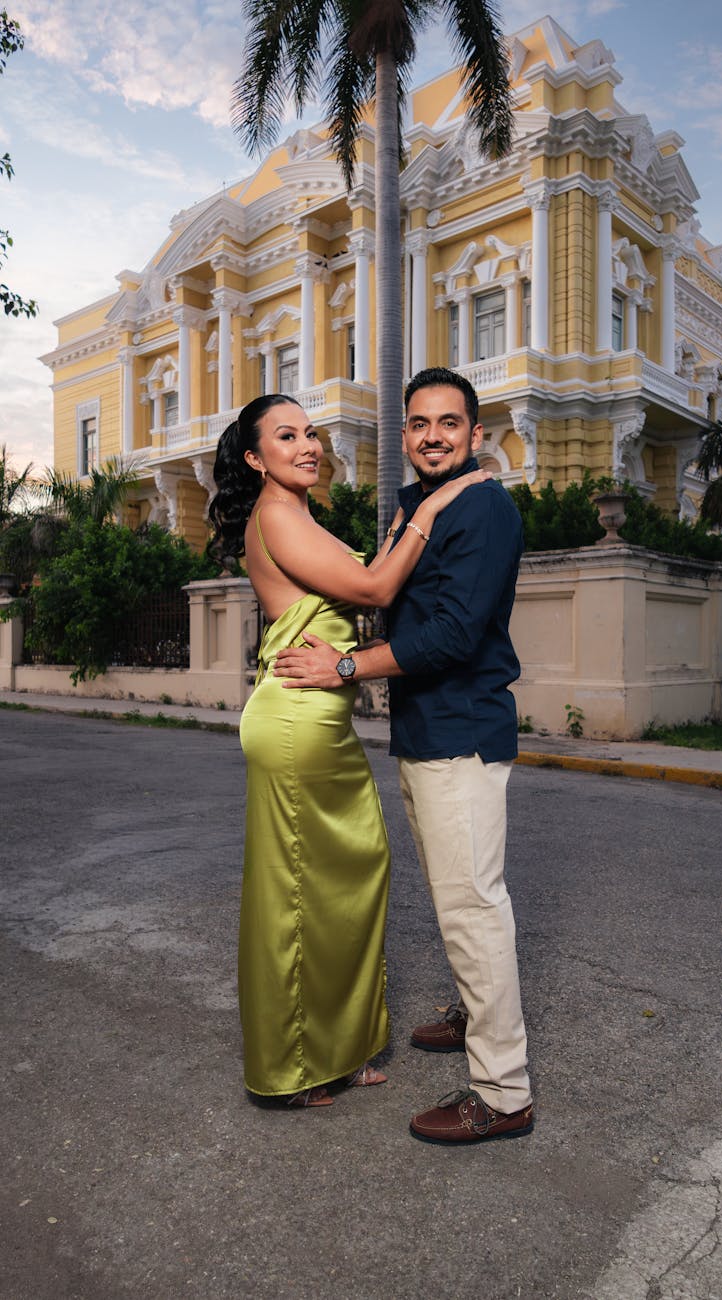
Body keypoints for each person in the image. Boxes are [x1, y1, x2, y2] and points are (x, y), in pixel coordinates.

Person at [274, 367, 533, 1145]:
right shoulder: (422, 503)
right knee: (457, 899)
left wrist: (345, 667)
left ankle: (503, 1092)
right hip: (428, 732)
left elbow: (452, 635)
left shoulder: (483, 506)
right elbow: (381, 593)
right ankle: (474, 1013)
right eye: (419, 424)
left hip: (462, 732)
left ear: (475, 434)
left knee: (472, 906)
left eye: (449, 424)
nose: (432, 436)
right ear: (405, 435)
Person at [208, 394, 488, 1108]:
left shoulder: (302, 517)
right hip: (295, 722)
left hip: (320, 722)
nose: (308, 445)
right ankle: (291, 1068)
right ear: (254, 457)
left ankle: (342, 1044)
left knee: (354, 871)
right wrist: (438, 501)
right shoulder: (273, 516)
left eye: (310, 432)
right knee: (298, 893)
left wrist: (403, 519)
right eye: (286, 436)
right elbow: (370, 588)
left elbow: (360, 592)